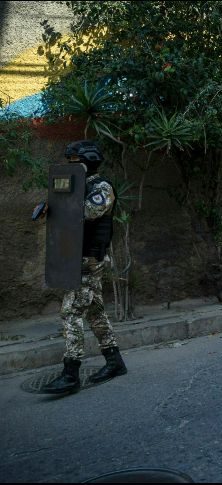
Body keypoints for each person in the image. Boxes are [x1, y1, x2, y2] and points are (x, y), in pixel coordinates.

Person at [41, 140, 128, 394]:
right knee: (96, 312)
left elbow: (86, 212)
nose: (71, 165)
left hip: (89, 260)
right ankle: (114, 362)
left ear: (88, 162)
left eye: (75, 161)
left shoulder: (102, 188)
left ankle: (70, 374)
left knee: (71, 312)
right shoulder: (81, 186)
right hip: (77, 257)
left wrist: (60, 204)